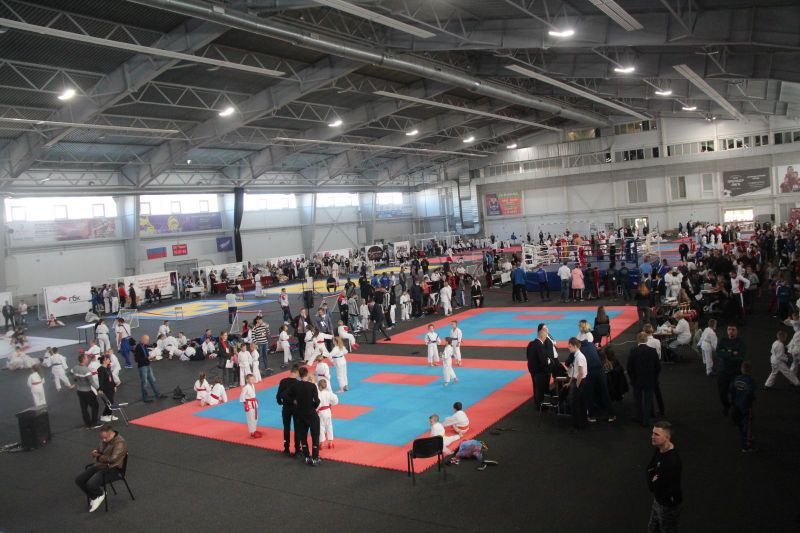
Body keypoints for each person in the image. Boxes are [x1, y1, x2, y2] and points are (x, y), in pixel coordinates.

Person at [75, 425, 129, 513]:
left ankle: (100, 494)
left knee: (91, 484)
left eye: (105, 438)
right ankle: (95, 497)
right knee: (79, 480)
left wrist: (98, 456)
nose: (103, 440)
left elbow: (113, 459)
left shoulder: (120, 443)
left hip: (113, 469)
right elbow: (100, 449)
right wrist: (96, 451)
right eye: (102, 438)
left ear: (112, 434)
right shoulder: (105, 439)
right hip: (101, 465)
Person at [646, 421, 682, 533]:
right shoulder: (659, 448)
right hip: (658, 499)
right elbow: (650, 468)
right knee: (652, 528)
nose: (652, 437)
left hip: (667, 504)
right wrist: (653, 478)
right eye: (653, 433)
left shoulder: (672, 462)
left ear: (667, 437)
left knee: (667, 529)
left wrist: (653, 480)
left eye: (656, 434)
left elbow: (658, 484)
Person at [289, 366, 321, 466]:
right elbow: (317, 401)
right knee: (315, 436)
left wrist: (295, 402)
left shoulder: (295, 385)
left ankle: (307, 457)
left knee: (303, 436)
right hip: (311, 413)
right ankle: (315, 458)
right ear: (307, 374)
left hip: (300, 414)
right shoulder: (312, 386)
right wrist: (313, 407)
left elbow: (287, 395)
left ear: (299, 374)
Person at [627, 332, 661, 427]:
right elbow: (658, 367)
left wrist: (632, 378)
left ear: (637, 340)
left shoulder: (633, 351)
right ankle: (646, 420)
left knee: (637, 399)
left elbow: (629, 368)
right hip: (649, 380)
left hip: (637, 380)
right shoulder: (652, 351)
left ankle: (639, 417)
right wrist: (654, 378)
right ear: (646, 340)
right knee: (648, 400)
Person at [716, 325, 745, 416]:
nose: (731, 331)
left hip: (736, 373)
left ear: (737, 331)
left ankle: (735, 409)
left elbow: (740, 357)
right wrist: (732, 353)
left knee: (735, 393)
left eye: (733, 329)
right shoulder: (722, 340)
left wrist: (726, 352)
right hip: (723, 372)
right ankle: (726, 406)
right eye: (729, 329)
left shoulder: (741, 342)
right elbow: (718, 353)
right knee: (722, 393)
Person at [731, 361, 757, 452]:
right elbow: (750, 393)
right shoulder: (750, 380)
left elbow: (732, 390)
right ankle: (746, 446)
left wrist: (734, 402)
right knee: (747, 424)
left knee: (741, 423)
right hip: (746, 406)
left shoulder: (736, 378)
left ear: (741, 369)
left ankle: (746, 438)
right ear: (750, 370)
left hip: (737, 405)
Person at [133, 334, 165, 403]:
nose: (147, 341)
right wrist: (147, 358)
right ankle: (145, 398)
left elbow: (146, 356)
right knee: (144, 383)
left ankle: (158, 394)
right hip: (142, 367)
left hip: (147, 365)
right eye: (146, 340)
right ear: (143, 339)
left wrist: (151, 358)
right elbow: (136, 359)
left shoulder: (144, 346)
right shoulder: (138, 347)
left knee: (153, 380)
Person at [277, 364, 301, 455]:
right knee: (297, 428)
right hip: (296, 408)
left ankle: (286, 448)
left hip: (286, 407)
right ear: (297, 372)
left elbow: (278, 395)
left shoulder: (283, 381)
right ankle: (297, 449)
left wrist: (280, 402)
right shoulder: (298, 383)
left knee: (286, 427)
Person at [71, 354, 99, 428]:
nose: (88, 359)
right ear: (83, 359)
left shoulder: (75, 368)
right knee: (95, 405)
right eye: (86, 358)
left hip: (79, 391)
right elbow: (91, 382)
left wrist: (75, 380)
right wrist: (98, 389)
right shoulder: (86, 370)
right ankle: (94, 423)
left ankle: (88, 424)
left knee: (84, 408)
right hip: (87, 391)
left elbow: (70, 374)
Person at [565, 337, 588, 429]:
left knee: (577, 404)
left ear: (575, 346)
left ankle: (579, 425)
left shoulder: (580, 357)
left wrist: (577, 385)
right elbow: (575, 372)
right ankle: (579, 424)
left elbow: (581, 373)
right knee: (577, 403)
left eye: (570, 346)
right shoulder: (576, 356)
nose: (568, 348)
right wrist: (570, 382)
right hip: (577, 380)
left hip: (580, 382)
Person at [317, 378, 339, 449]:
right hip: (328, 411)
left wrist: (316, 410)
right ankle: (330, 443)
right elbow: (336, 400)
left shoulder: (318, 395)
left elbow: (317, 405)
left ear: (319, 386)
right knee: (329, 426)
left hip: (321, 412)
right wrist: (331, 404)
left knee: (321, 427)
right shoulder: (329, 393)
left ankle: (321, 443)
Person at [240, 374, 261, 439]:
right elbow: (242, 396)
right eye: (251, 379)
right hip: (249, 404)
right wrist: (245, 404)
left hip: (254, 403)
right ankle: (252, 432)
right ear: (247, 380)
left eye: (253, 379)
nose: (253, 380)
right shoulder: (245, 387)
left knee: (255, 417)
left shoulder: (252, 385)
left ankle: (254, 430)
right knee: (250, 418)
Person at [97, 356, 117, 422]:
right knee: (109, 402)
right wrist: (101, 389)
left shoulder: (108, 367)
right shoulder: (100, 369)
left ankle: (110, 414)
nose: (109, 360)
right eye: (107, 359)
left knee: (111, 402)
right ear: (104, 361)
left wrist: (114, 385)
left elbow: (111, 377)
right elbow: (101, 380)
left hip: (111, 387)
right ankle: (103, 416)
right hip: (106, 389)